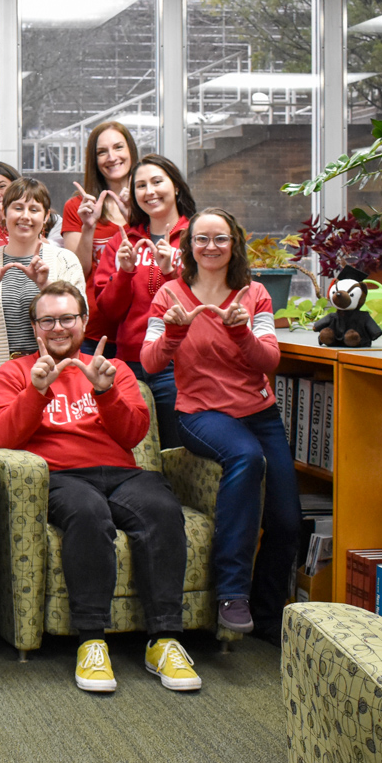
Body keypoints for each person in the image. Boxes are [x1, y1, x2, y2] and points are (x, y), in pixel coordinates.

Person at [0, 281, 200, 694]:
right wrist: (36, 390)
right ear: (35, 327)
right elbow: (2, 437)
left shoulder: (113, 369)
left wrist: (104, 392)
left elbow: (135, 433)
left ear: (83, 321)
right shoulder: (14, 372)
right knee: (89, 515)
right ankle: (92, 641)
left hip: (122, 472)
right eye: (47, 320)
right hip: (61, 477)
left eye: (67, 318)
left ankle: (165, 640)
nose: (58, 327)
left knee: (160, 509)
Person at [142, 206, 299, 640]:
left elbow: (269, 360)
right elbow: (150, 360)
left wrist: (242, 333)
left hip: (259, 412)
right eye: (202, 239)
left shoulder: (255, 295)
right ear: (188, 246)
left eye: (221, 239)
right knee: (245, 457)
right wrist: (173, 333)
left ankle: (267, 621)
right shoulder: (169, 295)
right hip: (200, 413)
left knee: (287, 522)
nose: (211, 247)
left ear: (235, 245)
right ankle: (232, 594)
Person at [0, 178, 83, 444]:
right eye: (18, 207)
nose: (25, 216)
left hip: (54, 379)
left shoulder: (64, 261)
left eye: (34, 209)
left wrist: (46, 287)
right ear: (4, 213)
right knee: (0, 459)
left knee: (54, 454)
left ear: (46, 217)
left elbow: (81, 324)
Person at [93, 153, 195, 450]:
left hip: (179, 366)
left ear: (176, 186)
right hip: (130, 365)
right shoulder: (122, 240)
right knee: (135, 453)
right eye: (140, 186)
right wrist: (124, 273)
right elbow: (109, 311)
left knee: (177, 451)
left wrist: (171, 272)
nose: (149, 191)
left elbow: (202, 304)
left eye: (157, 182)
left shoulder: (198, 237)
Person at [61, 121, 137, 355]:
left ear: (131, 151)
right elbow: (78, 271)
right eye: (102, 152)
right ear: (94, 161)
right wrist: (88, 227)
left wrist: (135, 215)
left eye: (118, 147)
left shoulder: (149, 202)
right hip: (94, 332)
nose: (111, 157)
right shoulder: (77, 206)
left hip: (141, 327)